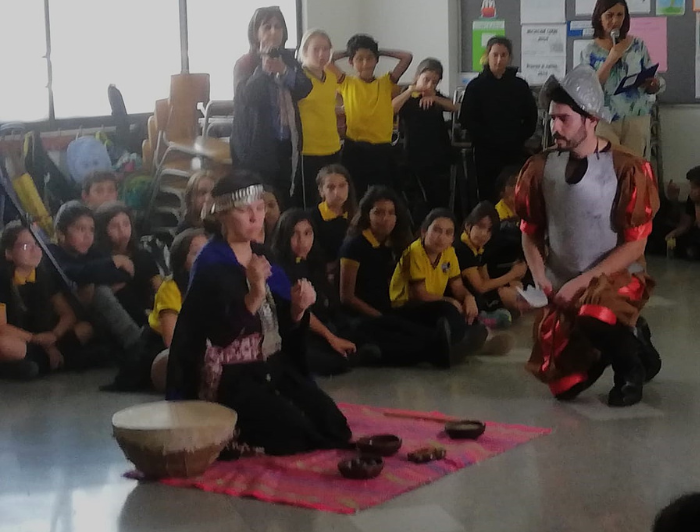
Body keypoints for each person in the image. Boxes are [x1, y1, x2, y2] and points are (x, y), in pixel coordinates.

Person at [166, 170, 352, 456]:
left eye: (260, 208)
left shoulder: (264, 255)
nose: (256, 217)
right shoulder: (210, 263)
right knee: (296, 435)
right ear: (222, 215)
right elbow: (218, 336)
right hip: (229, 377)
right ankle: (233, 430)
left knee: (334, 426)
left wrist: (298, 310)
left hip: (270, 365)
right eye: (244, 210)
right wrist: (253, 295)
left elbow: (280, 328)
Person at [515, 65, 662, 407]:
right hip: (564, 282)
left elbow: (635, 243)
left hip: (615, 277)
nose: (555, 127)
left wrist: (581, 284)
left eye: (564, 119)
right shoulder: (540, 168)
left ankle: (630, 369)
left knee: (596, 312)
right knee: (563, 387)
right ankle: (634, 340)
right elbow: (530, 232)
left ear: (591, 119)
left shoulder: (626, 168)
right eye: (552, 118)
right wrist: (540, 278)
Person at [339, 188, 472, 367]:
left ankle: (453, 345)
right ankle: (452, 349)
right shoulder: (354, 245)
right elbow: (347, 297)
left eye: (391, 213)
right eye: (378, 212)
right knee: (405, 335)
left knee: (440, 315)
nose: (385, 218)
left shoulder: (391, 244)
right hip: (362, 315)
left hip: (390, 309)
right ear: (367, 214)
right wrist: (380, 316)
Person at [272, 209, 378, 376]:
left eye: (307, 233)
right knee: (326, 361)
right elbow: (302, 313)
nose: (302, 241)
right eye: (295, 234)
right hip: (302, 332)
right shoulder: (279, 268)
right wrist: (332, 338)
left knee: (370, 332)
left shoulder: (314, 260)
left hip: (327, 323)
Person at [230, 6, 312, 207]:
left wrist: (284, 70)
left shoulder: (289, 59)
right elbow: (246, 97)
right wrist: (264, 69)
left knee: (283, 200)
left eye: (278, 27)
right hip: (255, 148)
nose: (273, 32)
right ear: (256, 33)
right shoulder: (245, 63)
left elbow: (305, 87)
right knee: (257, 202)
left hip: (286, 144)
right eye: (267, 27)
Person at [49, 201, 144, 359]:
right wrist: (111, 262)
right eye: (81, 229)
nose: (87, 236)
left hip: (90, 314)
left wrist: (95, 276)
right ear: (61, 233)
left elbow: (123, 274)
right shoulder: (53, 253)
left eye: (91, 230)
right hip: (62, 316)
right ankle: (136, 343)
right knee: (100, 291)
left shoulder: (91, 253)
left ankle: (144, 332)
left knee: (112, 287)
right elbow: (74, 273)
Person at [389, 208, 490, 354]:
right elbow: (420, 294)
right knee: (448, 308)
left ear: (452, 238)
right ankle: (463, 344)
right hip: (406, 306)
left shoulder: (449, 252)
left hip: (433, 303)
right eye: (437, 230)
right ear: (424, 232)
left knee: (472, 302)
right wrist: (449, 301)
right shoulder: (415, 252)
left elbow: (458, 286)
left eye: (448, 233)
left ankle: (464, 341)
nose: (441, 237)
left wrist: (468, 297)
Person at [0, 223, 93, 380]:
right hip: (22, 339)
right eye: (25, 246)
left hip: (44, 338)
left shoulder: (44, 275)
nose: (34, 250)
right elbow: (1, 326)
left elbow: (67, 314)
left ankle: (38, 364)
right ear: (9, 253)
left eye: (37, 244)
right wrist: (34, 339)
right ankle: (45, 363)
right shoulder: (3, 279)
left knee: (85, 328)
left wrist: (54, 336)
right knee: (9, 346)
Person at [581, 0, 664, 158]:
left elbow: (654, 78)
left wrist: (653, 84)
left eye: (620, 15)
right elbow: (589, 89)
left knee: (635, 167)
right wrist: (611, 59)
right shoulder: (589, 51)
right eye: (609, 15)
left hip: (636, 116)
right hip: (605, 119)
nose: (615, 21)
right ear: (599, 17)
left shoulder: (638, 45)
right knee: (608, 169)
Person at [460, 36, 538, 203]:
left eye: (503, 55)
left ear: (509, 57)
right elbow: (466, 118)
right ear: (488, 56)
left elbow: (531, 117)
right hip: (485, 152)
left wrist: (517, 137)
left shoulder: (519, 86)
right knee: (488, 195)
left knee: (514, 193)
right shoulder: (476, 86)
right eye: (495, 54)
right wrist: (487, 138)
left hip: (513, 149)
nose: (499, 59)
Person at [333, 34, 413, 197]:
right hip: (355, 148)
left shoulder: (385, 82)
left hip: (381, 149)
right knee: (355, 195)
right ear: (351, 62)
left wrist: (378, 51)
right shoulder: (346, 82)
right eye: (359, 59)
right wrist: (350, 51)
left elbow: (407, 57)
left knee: (385, 195)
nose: (365, 63)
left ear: (376, 60)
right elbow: (328, 60)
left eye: (370, 58)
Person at [393, 58, 458, 211]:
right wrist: (410, 90)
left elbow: (456, 107)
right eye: (426, 80)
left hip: (438, 155)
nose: (429, 85)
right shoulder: (408, 96)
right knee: (417, 200)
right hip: (414, 155)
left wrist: (435, 98)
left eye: (434, 82)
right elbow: (392, 108)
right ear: (418, 76)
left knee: (439, 197)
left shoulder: (436, 97)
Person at [454, 202, 527, 326]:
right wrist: (512, 274)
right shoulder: (462, 250)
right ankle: (483, 317)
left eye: (489, 230)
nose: (484, 234)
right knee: (511, 296)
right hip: (467, 298)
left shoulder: (478, 248)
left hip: (479, 295)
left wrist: (508, 283)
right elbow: (481, 286)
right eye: (480, 227)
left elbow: (486, 278)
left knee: (516, 287)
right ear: (468, 226)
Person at [296, 29, 343, 208]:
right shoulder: (298, 78)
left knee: (332, 202)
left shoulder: (331, 77)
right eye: (316, 49)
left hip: (332, 146)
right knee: (310, 203)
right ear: (305, 50)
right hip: (308, 150)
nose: (321, 54)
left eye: (326, 49)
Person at [95, 202, 161, 326]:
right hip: (123, 321)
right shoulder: (101, 262)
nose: (122, 230)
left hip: (152, 313)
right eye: (114, 226)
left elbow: (159, 288)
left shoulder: (142, 255)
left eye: (126, 224)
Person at [308, 164, 357, 266]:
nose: (337, 192)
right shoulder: (312, 217)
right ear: (321, 191)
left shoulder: (356, 215)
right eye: (331, 187)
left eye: (342, 186)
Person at [665, 166, 700, 260]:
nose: (691, 191)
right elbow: (685, 224)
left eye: (694, 187)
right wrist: (673, 234)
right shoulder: (692, 199)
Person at [176, 170, 218, 235]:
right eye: (202, 193)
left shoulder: (222, 225)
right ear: (191, 198)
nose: (208, 198)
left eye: (213, 192)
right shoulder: (185, 229)